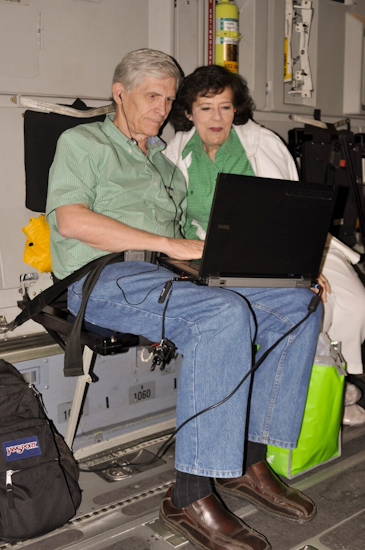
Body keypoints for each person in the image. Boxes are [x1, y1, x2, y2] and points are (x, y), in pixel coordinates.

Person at [46, 50, 322, 550]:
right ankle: (189, 495)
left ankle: (246, 459)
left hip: (166, 276)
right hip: (102, 278)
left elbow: (185, 250)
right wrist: (172, 246)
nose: (161, 108)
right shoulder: (82, 142)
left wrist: (267, 275)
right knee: (222, 315)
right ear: (119, 92)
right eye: (153, 96)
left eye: (169, 99)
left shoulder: (165, 167)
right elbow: (71, 221)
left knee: (296, 304)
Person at [165, 63, 365, 427]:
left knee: (353, 301)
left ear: (236, 110)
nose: (216, 117)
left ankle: (333, 379)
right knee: (306, 309)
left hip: (288, 239)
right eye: (206, 107)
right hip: (218, 251)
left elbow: (297, 211)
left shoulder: (263, 144)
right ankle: (317, 393)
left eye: (225, 107)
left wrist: (307, 267)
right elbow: (169, 216)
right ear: (188, 111)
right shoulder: (175, 154)